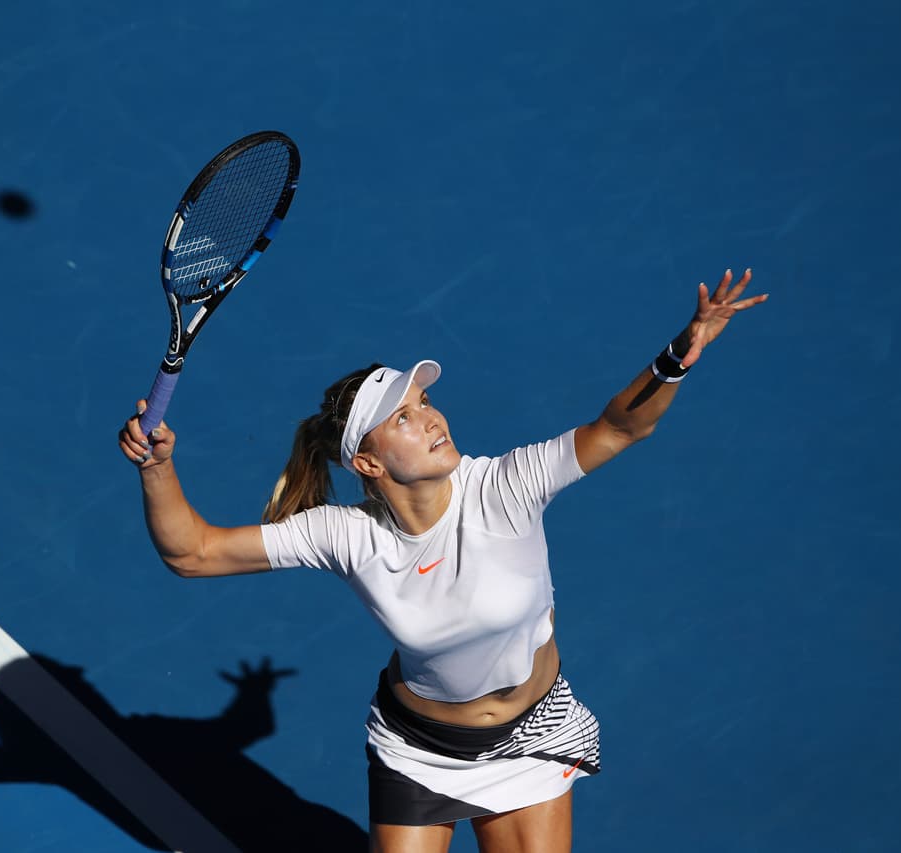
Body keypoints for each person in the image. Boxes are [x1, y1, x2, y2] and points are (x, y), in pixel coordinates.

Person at [118, 269, 767, 852]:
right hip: (419, 749)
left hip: (532, 733)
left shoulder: (507, 485)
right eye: (403, 416)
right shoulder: (347, 534)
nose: (430, 418)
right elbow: (193, 553)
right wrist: (158, 465)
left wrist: (677, 356)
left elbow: (621, 427)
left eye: (424, 402)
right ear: (367, 463)